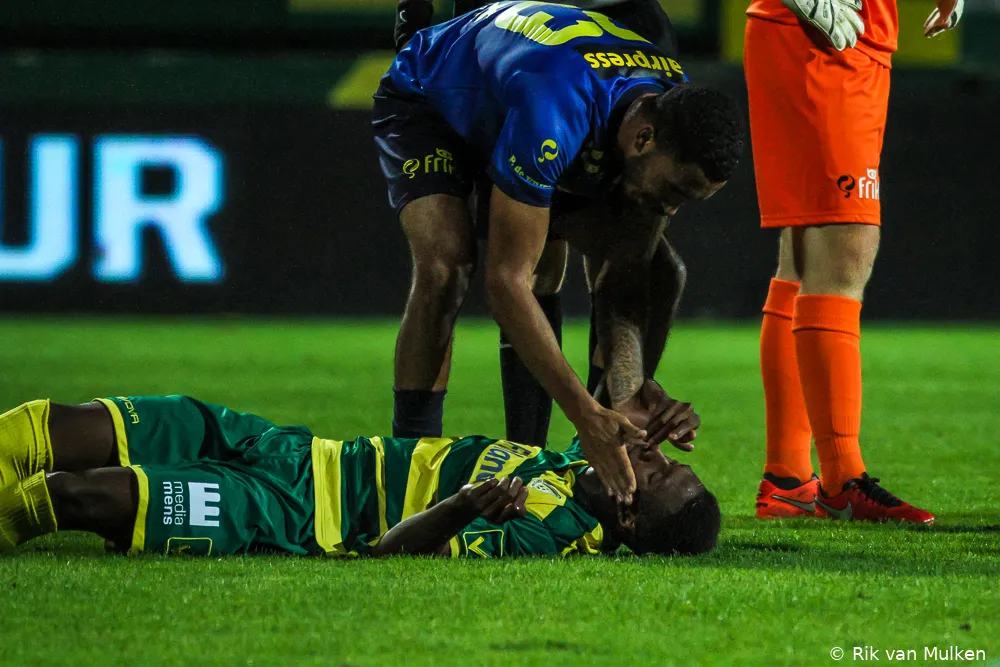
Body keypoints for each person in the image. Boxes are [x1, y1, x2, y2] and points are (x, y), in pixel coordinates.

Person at [375, 1, 744, 505]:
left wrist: (630, 393)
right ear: (643, 139)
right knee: (448, 265)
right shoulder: (556, 110)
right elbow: (505, 284)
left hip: (514, 97)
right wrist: (586, 414)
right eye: (676, 190)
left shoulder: (669, 105)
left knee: (661, 270)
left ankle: (546, 460)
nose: (674, 209)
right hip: (432, 98)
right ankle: (407, 471)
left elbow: (624, 274)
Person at [0, 395, 719, 558]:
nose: (653, 455)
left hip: (294, 513)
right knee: (43, 425)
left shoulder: (548, 533)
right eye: (667, 455)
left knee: (73, 493)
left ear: (628, 515)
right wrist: (649, 401)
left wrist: (463, 505)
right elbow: (626, 391)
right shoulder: (574, 463)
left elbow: (389, 553)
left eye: (657, 473)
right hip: (289, 447)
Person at [745, 0, 961, 522]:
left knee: (804, 255)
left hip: (845, 37)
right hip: (821, 37)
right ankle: (841, 480)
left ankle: (787, 479)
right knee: (846, 243)